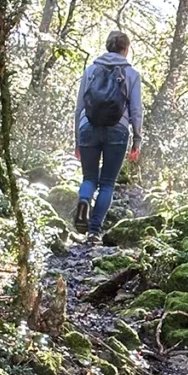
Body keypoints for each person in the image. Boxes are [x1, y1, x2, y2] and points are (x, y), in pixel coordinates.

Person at [73, 30, 143, 242]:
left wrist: (77, 139)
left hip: (88, 127)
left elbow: (79, 108)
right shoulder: (131, 74)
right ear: (126, 49)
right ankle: (94, 231)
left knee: (89, 178)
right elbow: (136, 110)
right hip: (117, 130)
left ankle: (84, 199)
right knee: (107, 183)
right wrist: (137, 139)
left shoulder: (91, 70)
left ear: (107, 46)